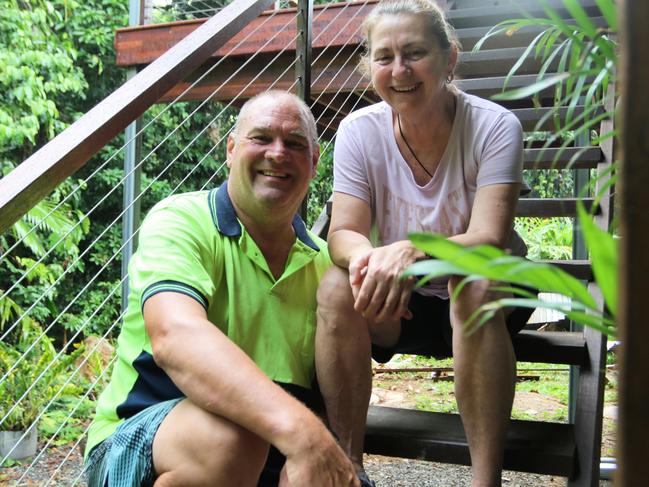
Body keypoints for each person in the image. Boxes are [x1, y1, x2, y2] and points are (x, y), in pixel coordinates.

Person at [84, 91, 359, 487]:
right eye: (261, 138)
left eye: (295, 144)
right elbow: (174, 336)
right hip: (140, 441)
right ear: (231, 150)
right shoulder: (181, 220)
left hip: (268, 458)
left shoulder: (325, 265)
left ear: (315, 163)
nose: (278, 153)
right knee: (230, 441)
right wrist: (306, 435)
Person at [315, 1, 534, 486]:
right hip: (401, 303)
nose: (399, 70)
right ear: (368, 65)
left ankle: (485, 480)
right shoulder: (357, 131)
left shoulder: (495, 127)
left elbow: (489, 238)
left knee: (471, 283)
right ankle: (347, 470)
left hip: (488, 295)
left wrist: (413, 251)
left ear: (449, 57)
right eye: (384, 56)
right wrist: (370, 260)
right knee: (335, 287)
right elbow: (343, 233)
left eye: (415, 53)